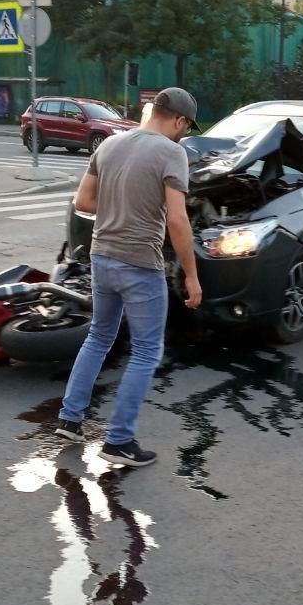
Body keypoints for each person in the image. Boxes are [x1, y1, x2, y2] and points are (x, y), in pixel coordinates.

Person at [54, 86, 202, 467]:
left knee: (99, 336)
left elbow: (83, 202)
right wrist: (192, 276)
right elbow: (177, 220)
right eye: (186, 128)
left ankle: (70, 419)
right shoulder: (173, 152)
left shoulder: (110, 145)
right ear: (180, 121)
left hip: (102, 258)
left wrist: (120, 204)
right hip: (140, 263)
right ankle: (118, 441)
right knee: (146, 350)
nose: (183, 135)